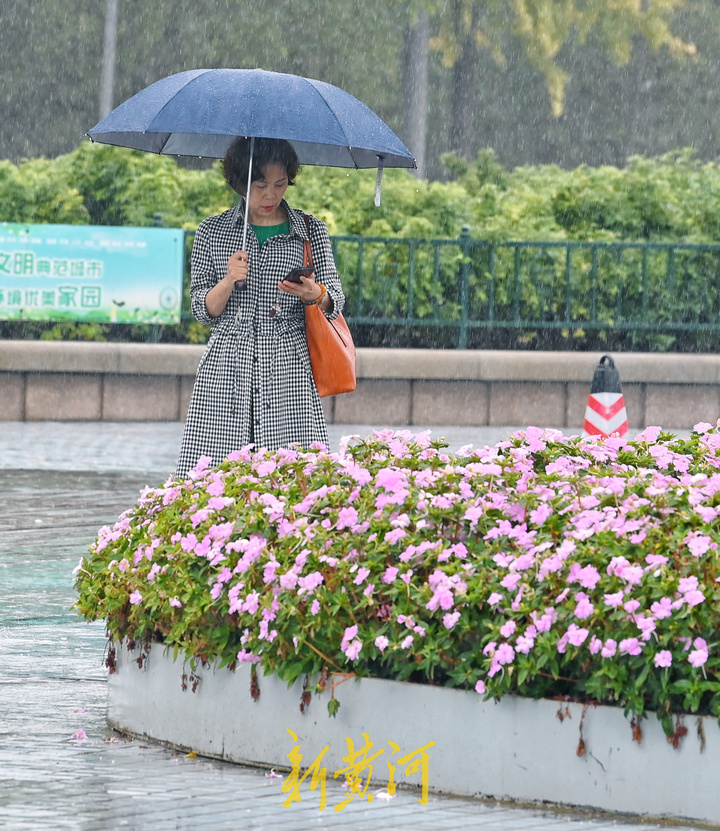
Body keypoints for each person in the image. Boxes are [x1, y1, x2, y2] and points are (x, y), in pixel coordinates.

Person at [175, 137, 345, 478]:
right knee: (216, 477)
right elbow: (201, 309)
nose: (271, 195)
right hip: (227, 366)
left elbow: (335, 302)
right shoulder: (213, 230)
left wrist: (313, 292)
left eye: (280, 184)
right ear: (240, 181)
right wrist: (226, 282)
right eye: (261, 184)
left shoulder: (309, 230)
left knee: (293, 476)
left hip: (288, 365)